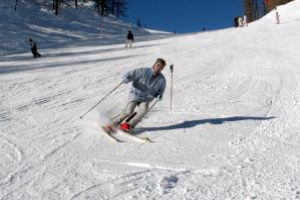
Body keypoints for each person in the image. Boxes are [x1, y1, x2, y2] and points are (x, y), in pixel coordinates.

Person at [104, 58, 167, 132]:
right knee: (129, 111)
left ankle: (128, 125)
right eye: (158, 65)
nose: (159, 68)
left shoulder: (162, 79)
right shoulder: (143, 71)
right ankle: (111, 124)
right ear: (155, 64)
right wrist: (126, 78)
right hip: (135, 94)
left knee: (143, 110)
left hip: (146, 98)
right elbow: (130, 74)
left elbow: (160, 91)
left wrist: (159, 95)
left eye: (161, 67)